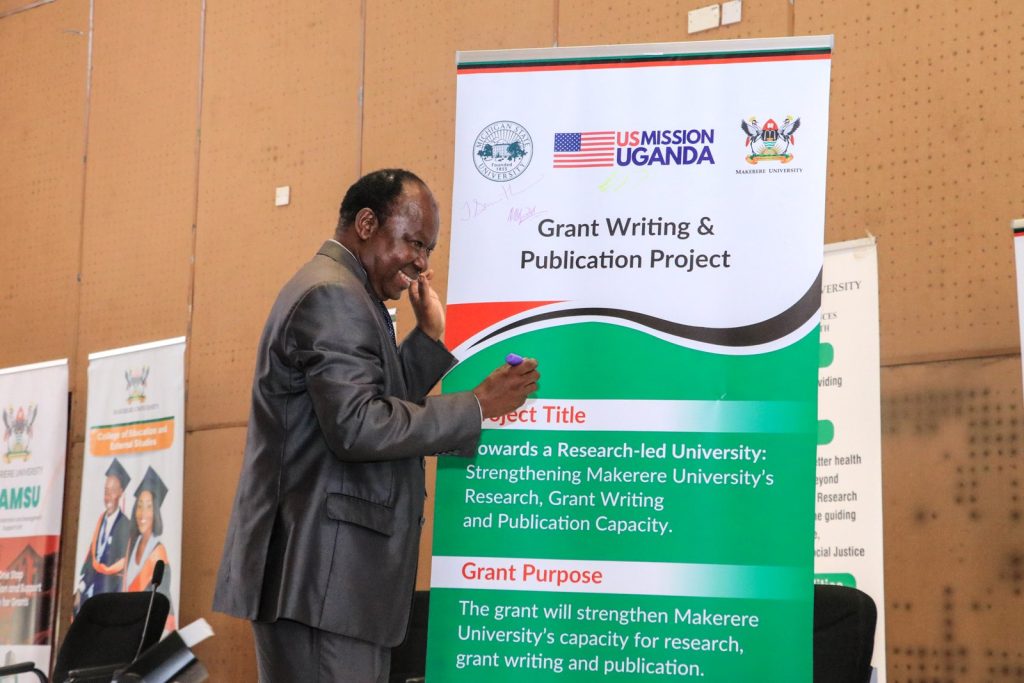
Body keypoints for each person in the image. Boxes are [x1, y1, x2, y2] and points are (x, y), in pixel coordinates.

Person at [213, 169, 539, 682]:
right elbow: (359, 426)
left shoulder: (348, 294)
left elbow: (369, 405)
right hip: (322, 583)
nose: (421, 263)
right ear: (366, 223)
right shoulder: (334, 295)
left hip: (328, 587)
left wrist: (427, 341)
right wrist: (475, 406)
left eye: (428, 249)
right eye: (413, 242)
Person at [74, 458, 132, 613]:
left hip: (110, 596)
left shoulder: (126, 526)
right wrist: (81, 588)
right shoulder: (100, 522)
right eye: (106, 491)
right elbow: (92, 561)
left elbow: (119, 571)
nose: (108, 496)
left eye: (112, 491)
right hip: (90, 593)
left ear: (121, 492)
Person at [123, 465, 176, 632]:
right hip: (126, 626)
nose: (142, 513)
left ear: (156, 512)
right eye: (139, 506)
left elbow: (161, 604)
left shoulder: (159, 555)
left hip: (148, 631)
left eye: (148, 506)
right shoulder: (131, 546)